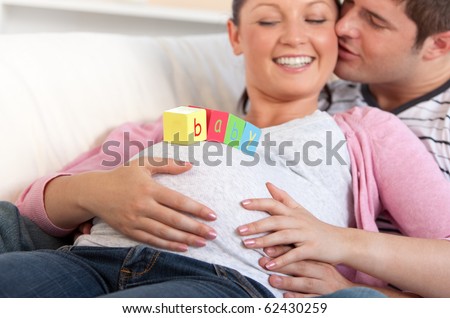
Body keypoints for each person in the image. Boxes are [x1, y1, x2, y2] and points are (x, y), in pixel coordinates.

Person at [0, 0, 448, 298]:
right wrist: (93, 193)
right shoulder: (171, 122)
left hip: (221, 285)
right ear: (235, 36)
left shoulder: (367, 130)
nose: (293, 37)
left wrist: (340, 247)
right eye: (268, 19)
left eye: (315, 19)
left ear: (337, 39)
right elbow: (35, 210)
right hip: (91, 258)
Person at [255, 0, 450, 298]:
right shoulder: (317, 97)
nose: (342, 26)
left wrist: (352, 290)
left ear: (438, 44)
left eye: (374, 20)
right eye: (349, 5)